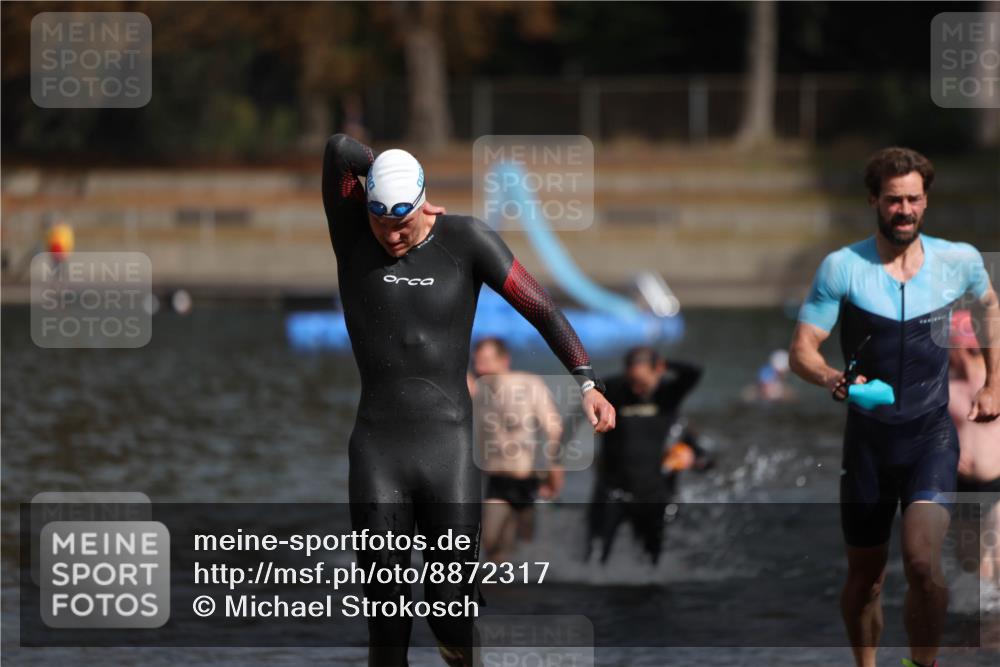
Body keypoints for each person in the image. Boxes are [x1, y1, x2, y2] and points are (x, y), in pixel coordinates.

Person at [321, 134, 616, 667]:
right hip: (378, 452)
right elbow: (340, 150)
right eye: (382, 222)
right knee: (387, 615)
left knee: (450, 609)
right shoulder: (351, 237)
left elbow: (541, 307)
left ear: (423, 201)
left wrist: (587, 381)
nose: (391, 235)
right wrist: (381, 164)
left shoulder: (467, 240)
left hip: (449, 450)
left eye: (403, 223)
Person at [788, 147, 999, 667]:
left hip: (931, 437)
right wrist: (832, 377)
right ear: (873, 201)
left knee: (924, 564)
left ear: (926, 202)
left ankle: (920, 665)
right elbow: (801, 351)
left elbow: (989, 306)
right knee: (867, 578)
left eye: (913, 199)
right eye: (892, 200)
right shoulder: (843, 267)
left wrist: (995, 383)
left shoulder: (960, 261)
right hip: (868, 443)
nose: (903, 210)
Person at [586, 346, 703, 565]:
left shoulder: (668, 395)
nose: (637, 388)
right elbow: (579, 409)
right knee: (595, 555)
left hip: (652, 491)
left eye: (643, 381)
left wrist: (665, 363)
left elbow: (695, 371)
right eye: (633, 381)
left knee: (651, 558)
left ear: (658, 371)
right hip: (613, 489)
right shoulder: (614, 390)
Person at [471, 337, 564, 562]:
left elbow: (553, 429)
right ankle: (497, 594)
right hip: (496, 481)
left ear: (504, 360)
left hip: (528, 481)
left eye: (485, 360)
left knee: (525, 551)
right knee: (491, 542)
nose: (478, 366)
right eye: (476, 360)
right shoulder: (476, 390)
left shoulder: (528, 385)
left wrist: (554, 471)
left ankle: (520, 594)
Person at [947, 310, 1000, 585]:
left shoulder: (996, 383)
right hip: (962, 484)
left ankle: (992, 623)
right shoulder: (945, 387)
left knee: (996, 556)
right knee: (972, 568)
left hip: (997, 482)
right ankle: (976, 621)